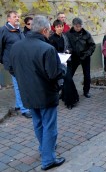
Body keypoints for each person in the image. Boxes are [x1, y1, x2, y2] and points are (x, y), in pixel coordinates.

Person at [9, 15, 66, 170]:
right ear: (45, 30)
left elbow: (11, 68)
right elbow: (54, 74)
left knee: (38, 123)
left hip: (27, 92)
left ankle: (44, 150)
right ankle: (48, 159)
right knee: (49, 126)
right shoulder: (47, 49)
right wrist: (63, 67)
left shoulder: (17, 46)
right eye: (49, 31)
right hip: (45, 93)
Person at [0, 11, 32, 118]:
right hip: (12, 63)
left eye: (18, 17)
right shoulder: (4, 30)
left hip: (21, 62)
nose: (17, 18)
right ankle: (24, 109)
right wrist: (5, 60)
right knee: (20, 85)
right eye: (15, 17)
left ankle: (19, 104)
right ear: (9, 19)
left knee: (18, 84)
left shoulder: (18, 30)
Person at [49, 20, 79, 109]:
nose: (60, 28)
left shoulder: (65, 36)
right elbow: (51, 51)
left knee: (68, 80)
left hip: (67, 61)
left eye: (61, 26)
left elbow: (70, 47)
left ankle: (71, 100)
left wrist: (68, 51)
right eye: (58, 27)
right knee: (66, 80)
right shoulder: (51, 38)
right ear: (54, 28)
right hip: (58, 63)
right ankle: (69, 100)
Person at [66, 18, 96, 98]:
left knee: (87, 75)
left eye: (80, 26)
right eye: (77, 26)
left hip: (85, 56)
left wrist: (87, 53)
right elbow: (67, 45)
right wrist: (70, 51)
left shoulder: (86, 34)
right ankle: (65, 91)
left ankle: (86, 91)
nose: (78, 28)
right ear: (73, 25)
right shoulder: (68, 34)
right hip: (74, 57)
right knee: (69, 75)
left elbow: (92, 45)